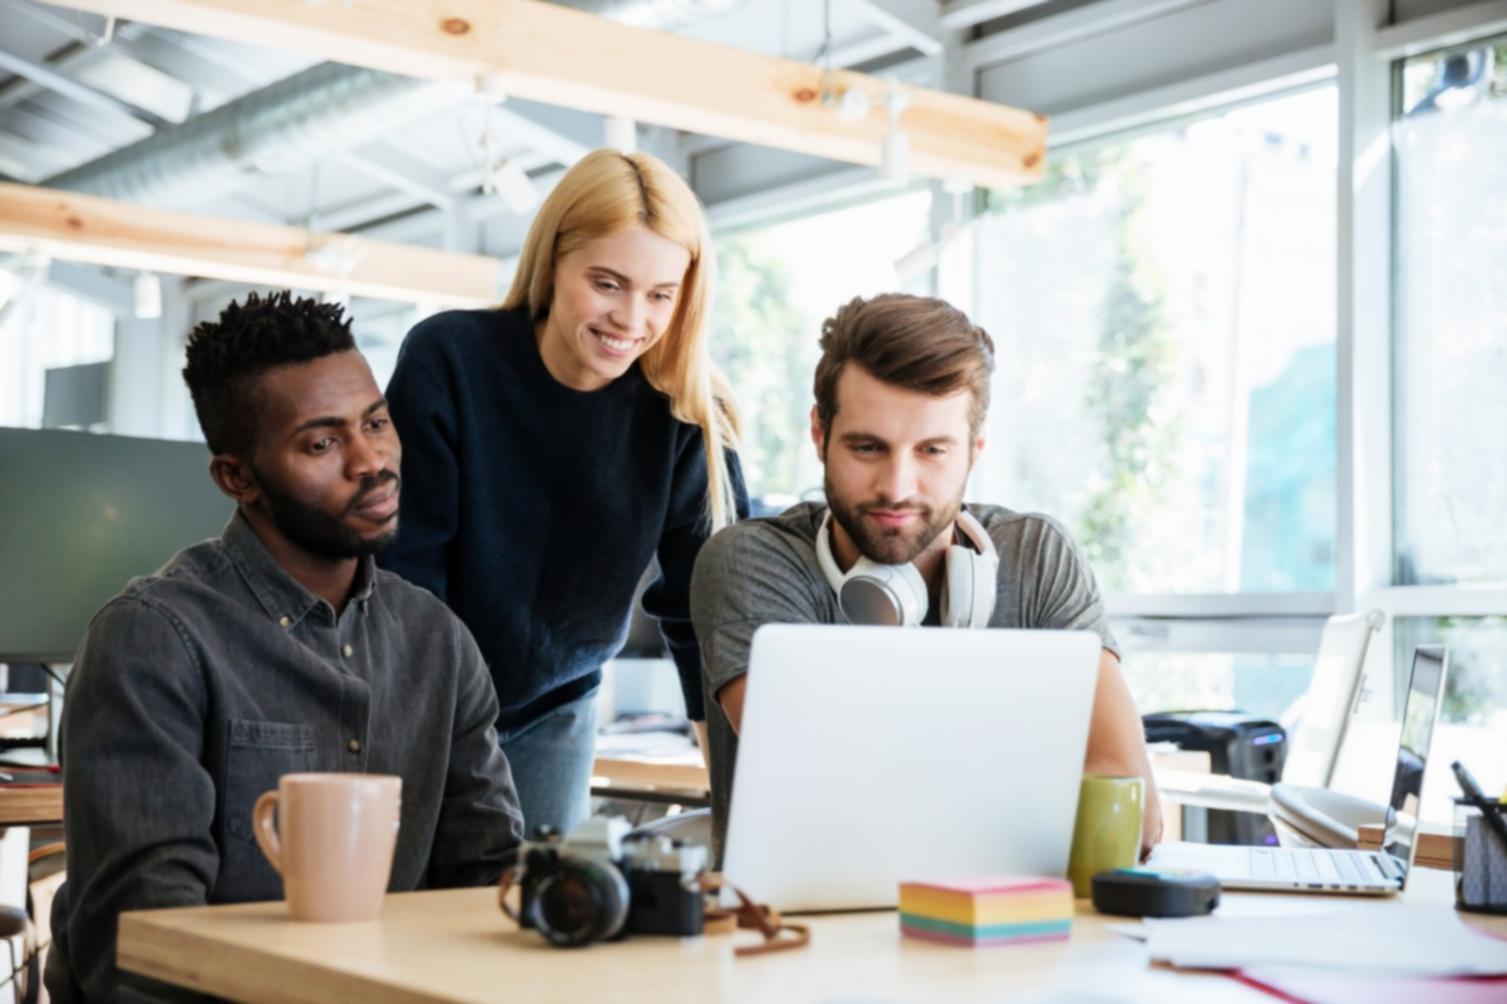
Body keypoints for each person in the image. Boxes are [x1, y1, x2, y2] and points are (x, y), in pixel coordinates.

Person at [47, 292, 523, 1001]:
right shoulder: (153, 639)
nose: (371, 461)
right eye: (322, 443)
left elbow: (488, 882)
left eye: (376, 423)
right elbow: (140, 946)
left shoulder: (437, 642)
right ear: (237, 478)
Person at [691, 293, 1163, 864]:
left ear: (975, 449)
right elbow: (830, 809)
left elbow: (1128, 812)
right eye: (867, 447)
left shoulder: (1038, 558)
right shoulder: (751, 563)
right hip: (800, 940)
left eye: (933, 450)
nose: (897, 486)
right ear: (819, 434)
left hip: (1013, 932)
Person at [380, 149, 746, 838]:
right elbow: (407, 580)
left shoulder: (689, 412)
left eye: (661, 294)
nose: (631, 319)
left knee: (532, 926)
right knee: (411, 917)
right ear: (553, 261)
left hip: (555, 706)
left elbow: (708, 615)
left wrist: (740, 805)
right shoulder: (450, 358)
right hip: (419, 693)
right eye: (607, 283)